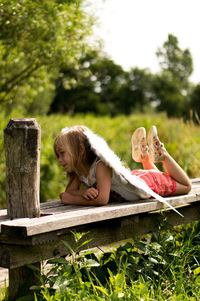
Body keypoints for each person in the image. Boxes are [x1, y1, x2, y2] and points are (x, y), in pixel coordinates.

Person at [54, 125, 191, 211]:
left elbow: (101, 200)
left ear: (81, 149)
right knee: (156, 174)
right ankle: (145, 158)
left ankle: (163, 154)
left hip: (144, 186)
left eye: (62, 154)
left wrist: (72, 198)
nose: (59, 160)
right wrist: (82, 193)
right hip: (134, 179)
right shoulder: (79, 171)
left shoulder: (101, 165)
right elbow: (67, 194)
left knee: (186, 187)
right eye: (57, 155)